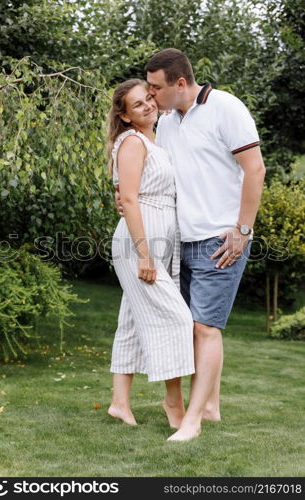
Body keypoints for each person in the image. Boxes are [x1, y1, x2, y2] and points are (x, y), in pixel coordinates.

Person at [115, 49, 266, 441]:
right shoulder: (166, 123)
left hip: (220, 239)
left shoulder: (226, 108)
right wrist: (128, 196)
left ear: (180, 83)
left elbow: (255, 169)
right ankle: (209, 406)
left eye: (156, 87)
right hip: (178, 240)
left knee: (204, 327)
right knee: (196, 328)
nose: (151, 95)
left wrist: (243, 230)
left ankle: (193, 419)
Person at [107, 79, 195, 429]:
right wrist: (144, 255)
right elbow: (128, 198)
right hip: (138, 245)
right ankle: (173, 403)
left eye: (148, 99)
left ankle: (119, 403)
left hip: (159, 242)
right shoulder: (132, 141)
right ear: (125, 116)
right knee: (177, 318)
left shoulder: (155, 139)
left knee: (130, 322)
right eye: (137, 104)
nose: (147, 106)